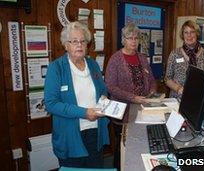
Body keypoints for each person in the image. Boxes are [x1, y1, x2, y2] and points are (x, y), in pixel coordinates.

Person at [44, 21, 109, 168]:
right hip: (70, 136)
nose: (79, 45)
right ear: (65, 45)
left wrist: (103, 99)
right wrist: (84, 113)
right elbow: (51, 103)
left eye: (83, 41)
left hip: (95, 131)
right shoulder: (56, 68)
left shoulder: (93, 65)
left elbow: (103, 90)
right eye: (74, 41)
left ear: (87, 44)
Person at [105, 23, 156, 170]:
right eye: (130, 38)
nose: (134, 41)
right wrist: (132, 97)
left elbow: (152, 79)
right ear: (123, 40)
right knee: (123, 146)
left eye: (136, 38)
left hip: (142, 108)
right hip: (122, 111)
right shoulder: (115, 59)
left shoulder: (142, 57)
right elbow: (110, 86)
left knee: (141, 143)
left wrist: (152, 90)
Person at [165, 20, 204, 99]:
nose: (189, 35)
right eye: (186, 32)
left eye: (192, 32)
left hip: (199, 98)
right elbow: (167, 79)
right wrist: (178, 88)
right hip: (178, 98)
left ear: (197, 33)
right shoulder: (174, 54)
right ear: (182, 35)